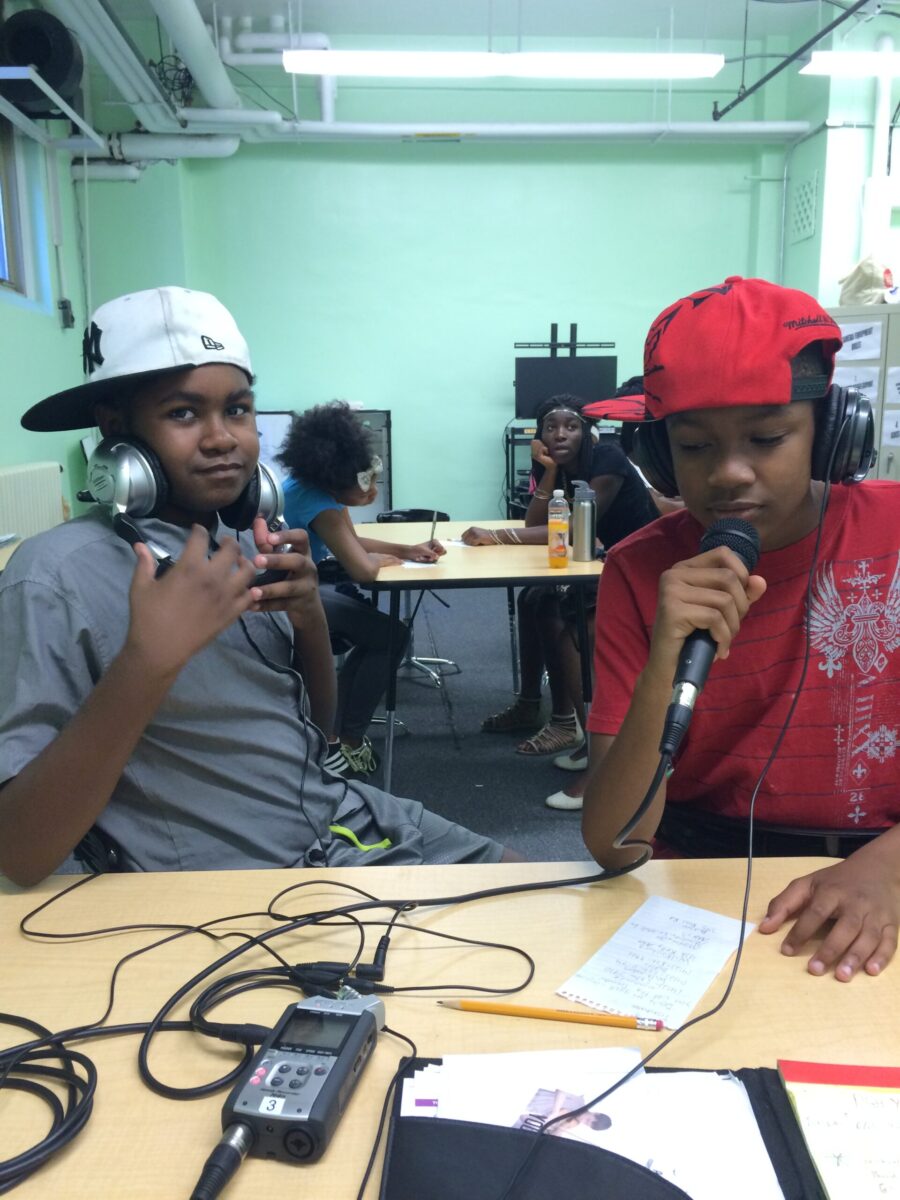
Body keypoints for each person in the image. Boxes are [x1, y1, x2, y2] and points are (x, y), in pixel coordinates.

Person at [0, 286, 514, 886]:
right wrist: (146, 663)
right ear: (115, 431)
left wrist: (310, 618)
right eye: (183, 413)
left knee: (544, 891)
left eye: (238, 410)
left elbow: (318, 735)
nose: (223, 438)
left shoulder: (241, 541)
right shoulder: (53, 577)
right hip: (247, 877)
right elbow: (19, 850)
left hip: (342, 816)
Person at [581, 275, 900, 981]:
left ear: (831, 435)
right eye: (694, 447)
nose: (728, 473)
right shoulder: (639, 571)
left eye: (767, 437)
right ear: (659, 458)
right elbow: (614, 842)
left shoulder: (894, 530)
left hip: (883, 875)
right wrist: (664, 663)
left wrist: (888, 869)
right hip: (702, 887)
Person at [462, 392, 659, 794]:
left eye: (571, 426)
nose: (560, 434)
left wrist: (496, 536)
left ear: (587, 432)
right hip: (602, 565)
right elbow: (537, 522)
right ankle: (537, 709)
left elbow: (571, 526)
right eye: (550, 427)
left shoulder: (607, 460)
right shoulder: (559, 467)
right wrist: (549, 472)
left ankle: (592, 745)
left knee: (561, 618)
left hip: (642, 573)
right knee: (533, 598)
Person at [277, 401, 445, 778]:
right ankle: (347, 738)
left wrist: (406, 550)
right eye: (368, 482)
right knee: (391, 636)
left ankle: (338, 727)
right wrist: (384, 561)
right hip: (289, 597)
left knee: (380, 634)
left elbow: (351, 541)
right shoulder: (320, 504)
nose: (373, 491)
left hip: (296, 587)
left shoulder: (316, 489)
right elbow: (361, 568)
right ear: (340, 475)